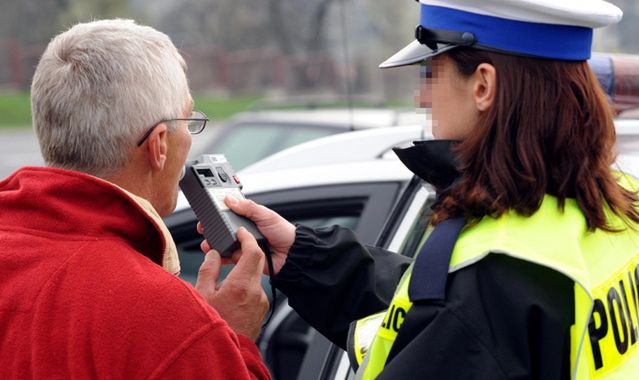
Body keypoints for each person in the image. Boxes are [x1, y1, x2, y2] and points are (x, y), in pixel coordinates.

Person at [211, 0, 639, 378]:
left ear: (483, 86)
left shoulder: (488, 275)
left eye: (431, 72)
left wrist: (228, 344)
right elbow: (435, 317)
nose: (422, 96)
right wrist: (305, 256)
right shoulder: (619, 204)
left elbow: (463, 315)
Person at [0, 19, 270, 379]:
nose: (189, 139)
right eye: (188, 120)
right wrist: (230, 339)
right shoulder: (166, 319)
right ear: (158, 145)